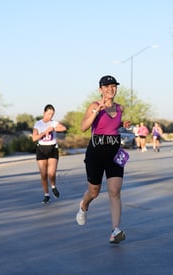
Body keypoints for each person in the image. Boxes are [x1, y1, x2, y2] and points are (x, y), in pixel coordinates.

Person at [75, 75, 126, 244]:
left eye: (113, 86)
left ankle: (115, 230)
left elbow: (112, 126)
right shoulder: (95, 106)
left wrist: (123, 125)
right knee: (94, 191)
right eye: (107, 86)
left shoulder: (120, 108)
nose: (111, 89)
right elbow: (83, 127)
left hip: (114, 151)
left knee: (115, 191)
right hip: (96, 152)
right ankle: (84, 205)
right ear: (100, 89)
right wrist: (98, 111)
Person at [32, 104, 67, 204]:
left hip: (52, 149)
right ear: (44, 113)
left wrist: (53, 129)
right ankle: (46, 195)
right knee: (43, 174)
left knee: (51, 173)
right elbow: (34, 138)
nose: (50, 116)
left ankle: (53, 186)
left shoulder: (54, 123)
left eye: (52, 114)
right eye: (48, 114)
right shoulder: (38, 124)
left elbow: (63, 128)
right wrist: (44, 132)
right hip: (41, 149)